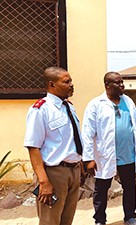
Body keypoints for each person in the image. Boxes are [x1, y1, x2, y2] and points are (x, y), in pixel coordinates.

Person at [81, 72, 136, 225]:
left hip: (127, 153)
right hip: (105, 155)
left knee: (130, 186)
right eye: (118, 83)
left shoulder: (128, 101)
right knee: (101, 189)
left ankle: (130, 216)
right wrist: (89, 158)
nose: (122, 85)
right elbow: (87, 134)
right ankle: (99, 220)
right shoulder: (96, 104)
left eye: (122, 82)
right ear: (107, 85)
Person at [24, 67, 84, 225]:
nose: (71, 85)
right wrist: (44, 182)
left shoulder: (69, 107)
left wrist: (81, 165)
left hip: (73, 171)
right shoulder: (40, 110)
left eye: (71, 81)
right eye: (66, 82)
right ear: (52, 85)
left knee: (66, 220)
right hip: (54, 174)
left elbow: (72, 140)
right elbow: (33, 147)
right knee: (50, 221)